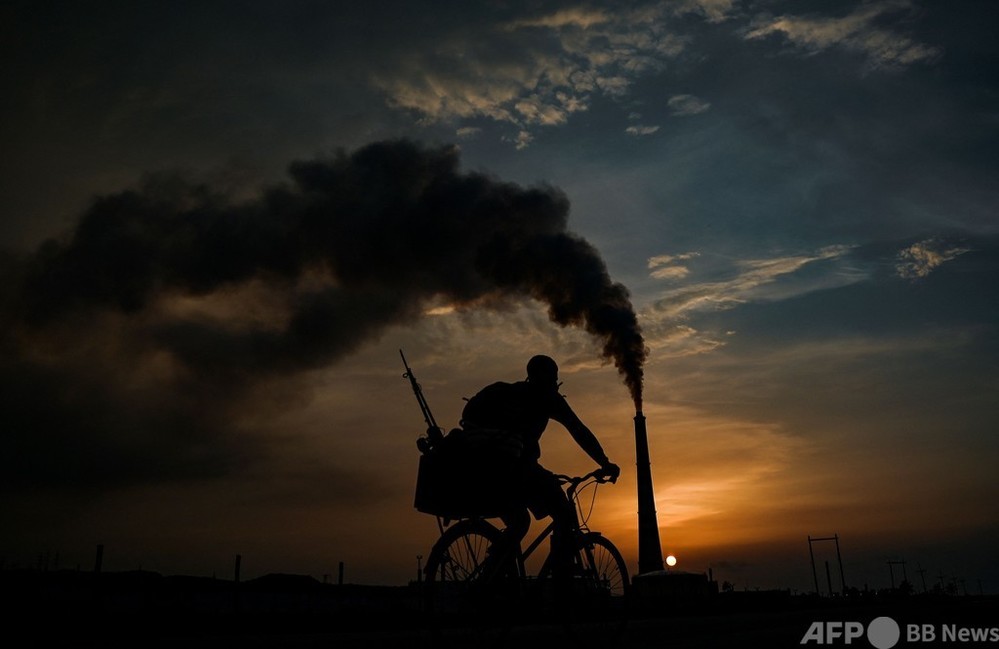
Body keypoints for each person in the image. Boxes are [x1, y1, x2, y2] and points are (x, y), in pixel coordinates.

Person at [459, 355, 621, 580]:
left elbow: (469, 418)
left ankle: (492, 574)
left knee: (520, 522)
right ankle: (559, 577)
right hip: (517, 469)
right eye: (554, 379)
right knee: (563, 512)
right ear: (551, 378)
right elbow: (579, 430)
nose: (554, 384)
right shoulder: (548, 399)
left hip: (485, 470)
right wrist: (605, 463)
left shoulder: (509, 392)